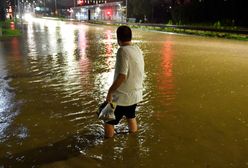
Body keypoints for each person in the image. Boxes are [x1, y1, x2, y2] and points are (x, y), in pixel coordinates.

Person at [104, 25, 145, 138]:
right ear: (130, 37)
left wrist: (110, 91)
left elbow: (122, 76)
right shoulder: (137, 49)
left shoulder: (122, 51)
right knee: (130, 116)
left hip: (121, 97)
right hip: (135, 95)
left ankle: (108, 146)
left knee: (107, 120)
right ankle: (133, 140)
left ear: (118, 39)